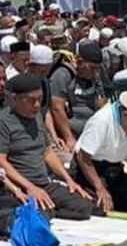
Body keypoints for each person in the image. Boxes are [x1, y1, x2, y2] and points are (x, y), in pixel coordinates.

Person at [0, 73, 92, 219]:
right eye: (31, 100)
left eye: (40, 99)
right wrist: (30, 188)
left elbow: (47, 153)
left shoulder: (37, 117)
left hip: (44, 183)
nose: (36, 105)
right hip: (21, 186)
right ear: (14, 99)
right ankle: (47, 210)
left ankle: (51, 209)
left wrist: (69, 180)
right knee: (40, 213)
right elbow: (2, 162)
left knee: (84, 206)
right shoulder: (4, 122)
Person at [71, 92, 127, 213]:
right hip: (89, 167)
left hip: (113, 170)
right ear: (125, 114)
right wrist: (99, 188)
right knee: (99, 206)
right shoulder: (102, 121)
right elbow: (83, 157)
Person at [49, 40, 106, 151]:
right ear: (79, 62)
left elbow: (101, 100)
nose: (95, 71)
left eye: (97, 68)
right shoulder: (63, 75)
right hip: (67, 134)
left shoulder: (95, 76)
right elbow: (57, 108)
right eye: (92, 68)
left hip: (91, 132)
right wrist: (69, 138)